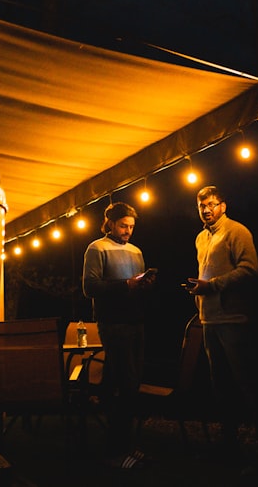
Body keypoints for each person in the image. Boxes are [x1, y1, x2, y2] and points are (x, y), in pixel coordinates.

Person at [183, 185, 258, 469]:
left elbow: (250, 269)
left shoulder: (237, 231)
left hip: (235, 320)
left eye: (211, 204)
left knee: (248, 383)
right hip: (210, 320)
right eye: (202, 205)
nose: (206, 209)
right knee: (221, 387)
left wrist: (212, 286)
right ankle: (231, 447)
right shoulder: (201, 238)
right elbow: (207, 275)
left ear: (223, 205)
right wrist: (199, 292)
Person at [82, 201, 157, 469]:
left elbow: (135, 288)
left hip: (137, 321)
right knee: (126, 386)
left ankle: (126, 447)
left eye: (132, 226)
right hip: (113, 324)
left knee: (131, 385)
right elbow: (90, 287)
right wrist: (126, 284)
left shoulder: (137, 251)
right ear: (111, 223)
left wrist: (144, 285)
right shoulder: (96, 248)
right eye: (124, 225)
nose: (128, 231)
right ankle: (115, 452)